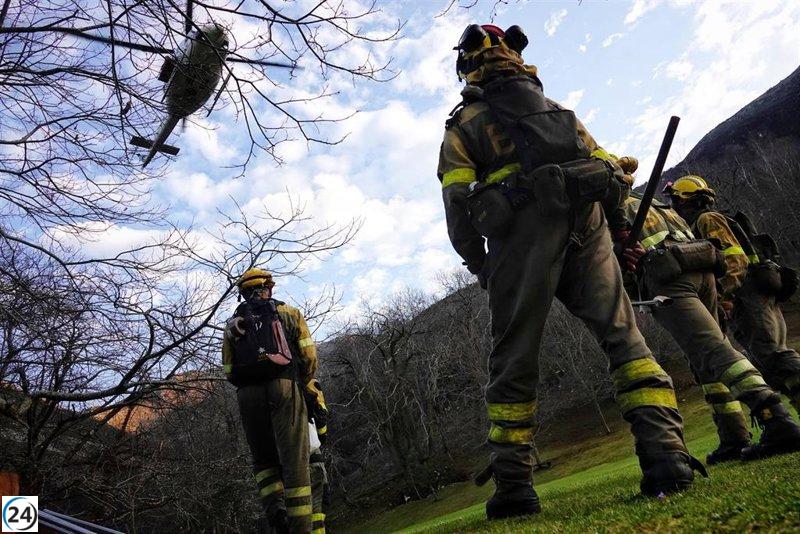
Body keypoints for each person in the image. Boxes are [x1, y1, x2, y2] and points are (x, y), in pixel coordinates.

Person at [437, 23, 700, 520]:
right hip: (591, 228)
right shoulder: (561, 113)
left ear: (467, 66)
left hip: (520, 241)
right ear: (518, 58)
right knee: (628, 343)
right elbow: (613, 177)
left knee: (514, 361)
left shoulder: (464, 125)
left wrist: (482, 264)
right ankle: (667, 456)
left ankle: (514, 488)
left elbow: (457, 204)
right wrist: (620, 234)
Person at [612, 162, 800, 464]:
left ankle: (775, 418)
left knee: (716, 351)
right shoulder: (660, 207)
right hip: (705, 276)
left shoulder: (617, 206)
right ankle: (733, 436)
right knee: (705, 362)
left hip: (673, 281)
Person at [663, 175, 800, 459]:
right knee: (768, 358)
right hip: (752, 294)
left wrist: (723, 296)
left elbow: (734, 260)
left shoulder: (707, 220)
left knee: (773, 355)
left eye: (676, 199)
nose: (674, 206)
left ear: (688, 200)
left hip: (747, 294)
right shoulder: (706, 220)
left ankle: (782, 430)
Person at [223, 268, 318, 533]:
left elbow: (228, 370)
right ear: (270, 288)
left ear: (242, 293)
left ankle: (278, 522)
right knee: (295, 464)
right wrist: (298, 382)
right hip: (285, 388)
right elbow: (309, 357)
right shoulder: (289, 313)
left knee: (264, 465)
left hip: (247, 396)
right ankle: (301, 530)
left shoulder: (233, 323)